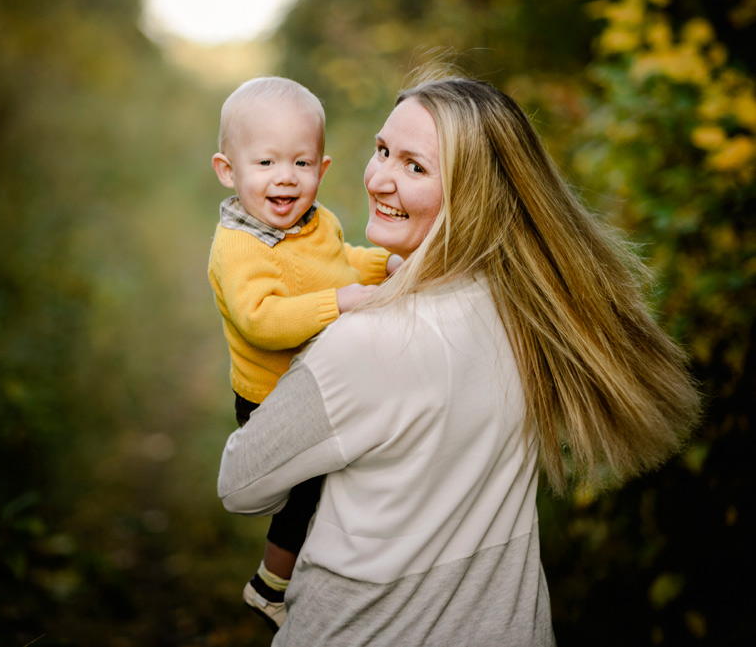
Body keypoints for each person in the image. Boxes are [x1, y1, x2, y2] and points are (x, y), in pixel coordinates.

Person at [217, 74, 700, 644]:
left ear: (472, 194)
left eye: (415, 167)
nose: (380, 179)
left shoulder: (367, 342)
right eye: (382, 151)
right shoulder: (524, 306)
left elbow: (241, 485)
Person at [207, 76, 401, 628]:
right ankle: (270, 584)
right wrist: (340, 303)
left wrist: (383, 266)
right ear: (229, 170)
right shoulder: (239, 246)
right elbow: (261, 320)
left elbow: (342, 260)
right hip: (271, 397)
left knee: (332, 493)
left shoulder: (317, 222)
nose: (285, 179)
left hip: (316, 383)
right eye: (265, 164)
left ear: (323, 167)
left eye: (302, 164)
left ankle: (300, 579)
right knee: (304, 495)